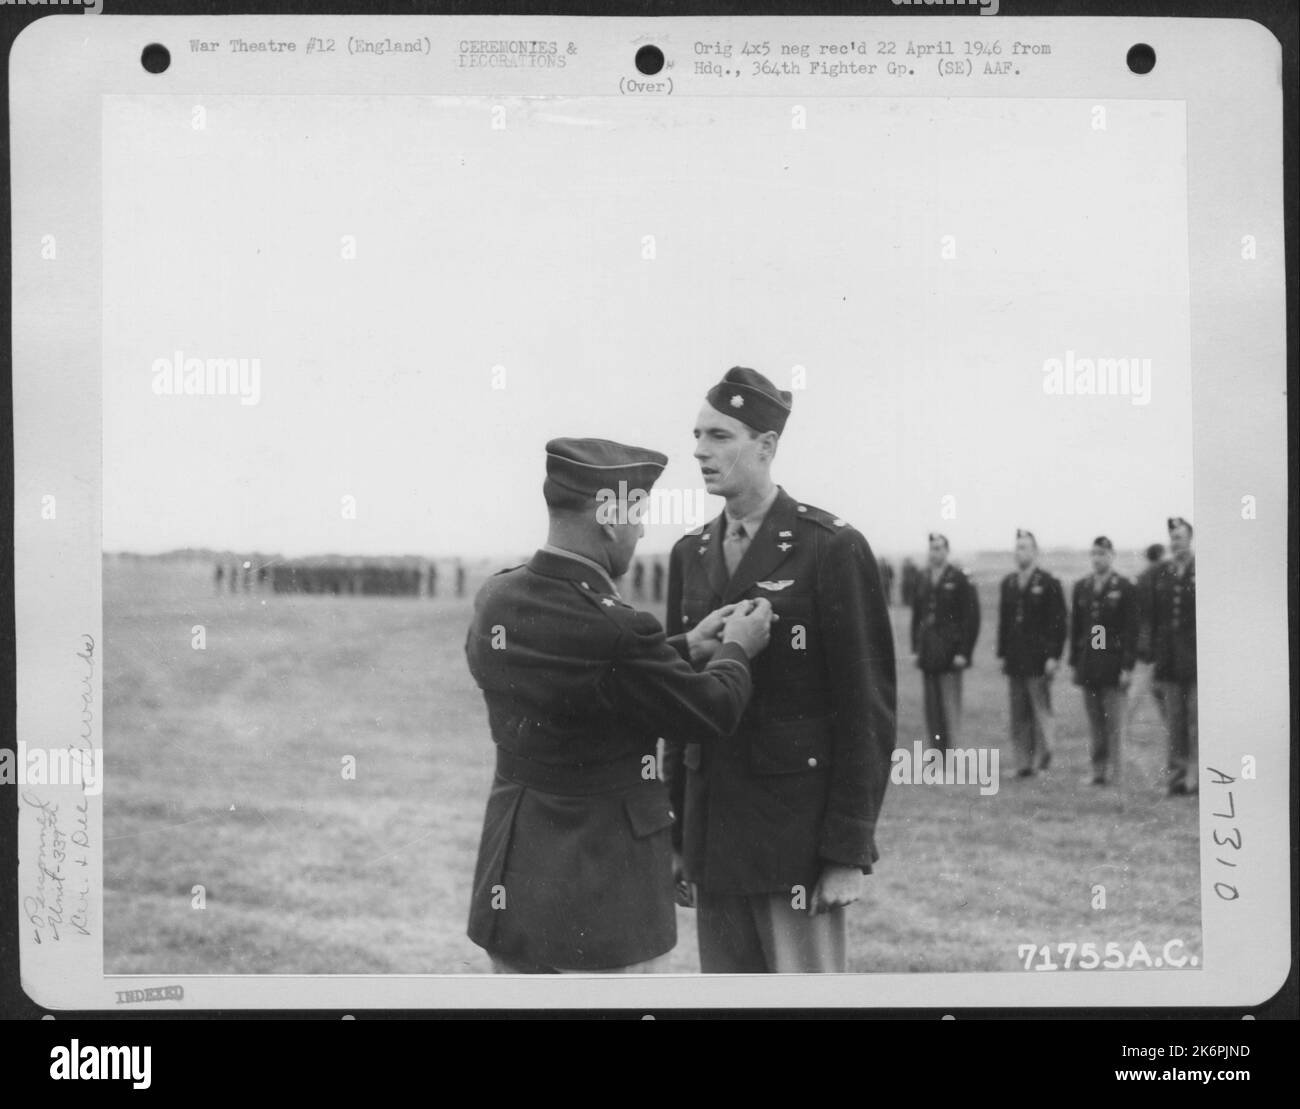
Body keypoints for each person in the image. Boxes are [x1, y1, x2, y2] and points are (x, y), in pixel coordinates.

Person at [464, 437, 773, 973]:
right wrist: (735, 646)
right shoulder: (616, 628)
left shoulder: (499, 595)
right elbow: (713, 709)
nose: (641, 529)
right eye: (636, 514)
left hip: (514, 875)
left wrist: (680, 648)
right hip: (600, 890)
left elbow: (580, 686)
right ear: (608, 516)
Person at [663, 366, 897, 974]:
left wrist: (847, 851)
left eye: (719, 436)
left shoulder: (830, 546)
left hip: (793, 839)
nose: (698, 451)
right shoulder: (689, 553)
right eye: (696, 435)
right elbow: (681, 704)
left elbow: (866, 707)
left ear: (766, 447)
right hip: (713, 836)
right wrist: (676, 835)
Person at [996, 529, 1067, 778]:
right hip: (1015, 659)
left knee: (1040, 712)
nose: (1019, 552)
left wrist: (1053, 656)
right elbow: (1004, 622)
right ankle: (1022, 763)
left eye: (1025, 547)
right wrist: (1002, 653)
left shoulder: (1048, 583)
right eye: (1017, 547)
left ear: (1035, 552)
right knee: (1018, 714)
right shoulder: (1009, 583)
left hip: (1039, 660)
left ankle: (1041, 762)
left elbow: (1058, 623)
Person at [1069, 536, 1138, 785]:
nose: (1097, 558)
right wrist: (1075, 662)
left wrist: (1128, 666)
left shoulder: (1125, 587)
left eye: (1102, 553)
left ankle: (1117, 773)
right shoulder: (1083, 587)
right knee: (1096, 722)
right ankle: (1098, 771)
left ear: (1112, 556)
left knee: (1115, 723)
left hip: (1114, 666)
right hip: (1089, 665)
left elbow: (1131, 630)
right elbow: (1077, 628)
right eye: (1094, 553)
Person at [911, 533, 980, 751]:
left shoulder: (959, 578)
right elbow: (917, 616)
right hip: (929, 653)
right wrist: (915, 649)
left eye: (939, 548)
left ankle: (953, 755)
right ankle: (936, 753)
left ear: (947, 551)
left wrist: (964, 652)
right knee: (932, 709)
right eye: (932, 548)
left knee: (950, 707)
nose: (935, 552)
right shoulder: (923, 577)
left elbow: (971, 618)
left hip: (951, 654)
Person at [1151, 517, 1197, 796]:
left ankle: (1195, 776)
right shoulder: (1163, 573)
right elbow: (1156, 618)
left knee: (1195, 721)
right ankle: (1177, 775)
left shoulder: (1202, 569)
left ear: (1189, 539)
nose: (1175, 542)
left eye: (1179, 537)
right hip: (1168, 660)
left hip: (1195, 660)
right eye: (1172, 537)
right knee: (1175, 721)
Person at [1127, 543, 1168, 728]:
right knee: (1160, 691)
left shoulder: (1141, 578)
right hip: (1157, 645)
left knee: (1136, 693)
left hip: (1142, 645)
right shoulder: (1163, 578)